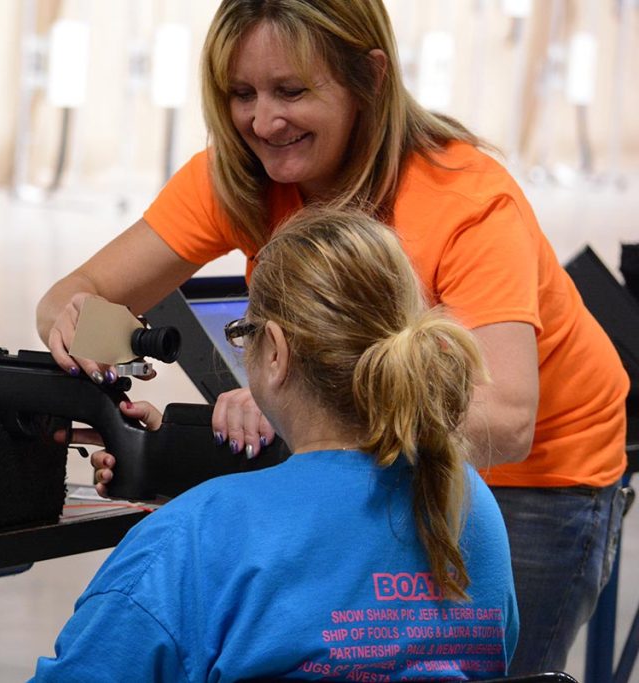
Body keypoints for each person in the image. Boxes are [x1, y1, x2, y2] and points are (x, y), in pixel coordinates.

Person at [36, 0, 629, 674]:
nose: (263, 120)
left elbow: (507, 419)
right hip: (367, 453)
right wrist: (102, 360)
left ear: (370, 78)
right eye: (242, 93)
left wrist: (304, 410)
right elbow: (74, 296)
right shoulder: (239, 173)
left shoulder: (467, 202)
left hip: (533, 475)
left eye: (291, 90)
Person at [33, 208, 519, 681]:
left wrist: (203, 517)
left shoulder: (191, 541)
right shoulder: (467, 504)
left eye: (244, 336)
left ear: (276, 355)